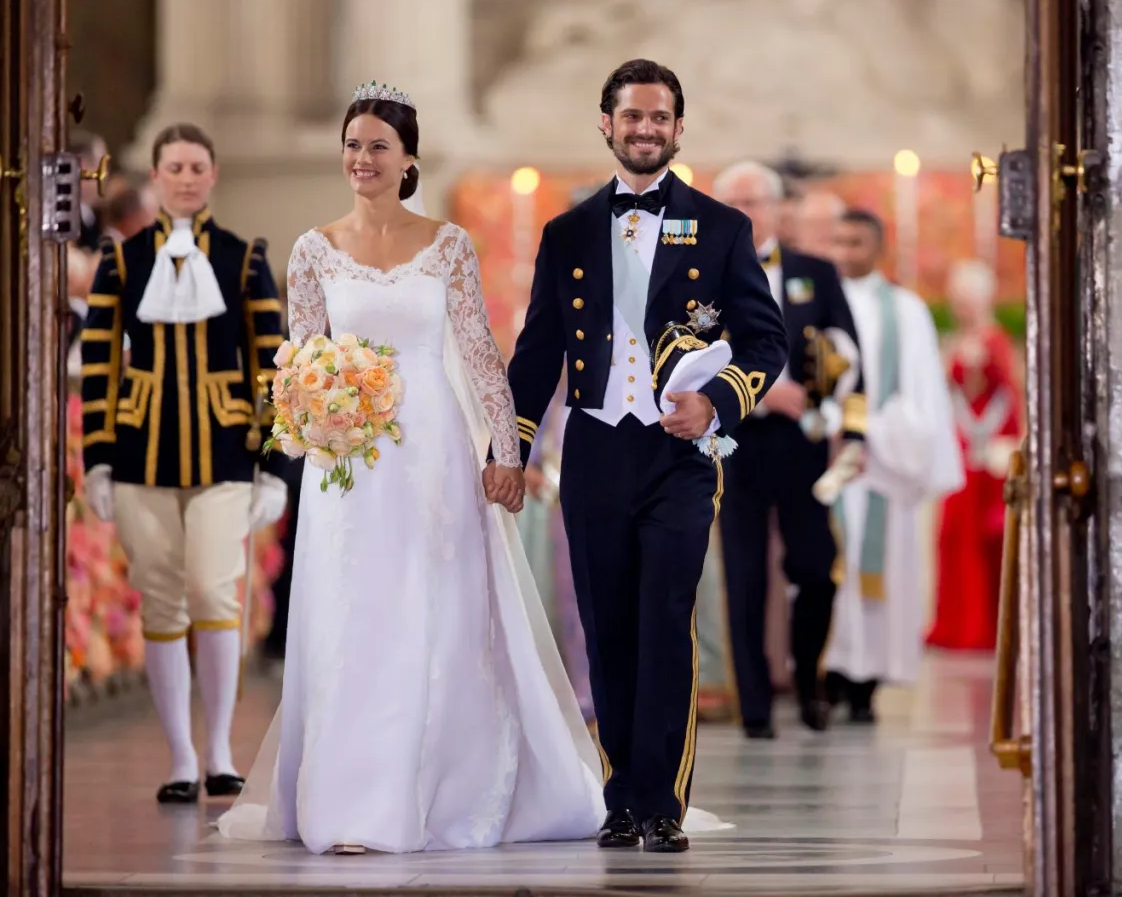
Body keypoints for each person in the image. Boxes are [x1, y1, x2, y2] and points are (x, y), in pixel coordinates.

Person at [219, 81, 663, 856]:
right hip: (347, 462)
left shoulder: (449, 244)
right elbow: (298, 360)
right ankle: (352, 802)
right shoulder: (313, 248)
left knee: (436, 610)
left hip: (431, 452)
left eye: (377, 147)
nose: (362, 159)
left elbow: (482, 355)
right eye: (353, 146)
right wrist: (308, 421)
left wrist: (505, 450)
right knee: (354, 614)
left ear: (408, 160)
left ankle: (444, 786)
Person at [504, 59, 788, 852]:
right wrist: (513, 447)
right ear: (606, 123)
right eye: (631, 116)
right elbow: (536, 354)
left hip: (680, 454)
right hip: (595, 449)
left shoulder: (723, 226)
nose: (645, 129)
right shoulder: (566, 233)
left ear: (677, 127)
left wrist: (717, 401)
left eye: (659, 117)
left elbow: (769, 340)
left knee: (666, 617)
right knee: (607, 626)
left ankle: (663, 800)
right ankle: (620, 794)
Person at [80, 123, 290, 802]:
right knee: (162, 598)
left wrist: (269, 458)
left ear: (213, 174)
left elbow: (269, 363)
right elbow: (101, 363)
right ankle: (179, 757)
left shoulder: (242, 256)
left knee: (212, 588)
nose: (187, 177)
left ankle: (223, 749)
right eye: (175, 166)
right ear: (158, 174)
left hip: (226, 447)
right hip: (140, 449)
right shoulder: (122, 261)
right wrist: (99, 459)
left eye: (197, 166)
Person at [712, 161, 865, 737]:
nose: (745, 213)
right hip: (733, 444)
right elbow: (686, 354)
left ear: (779, 209)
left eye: (755, 201)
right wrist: (762, 392)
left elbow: (852, 359)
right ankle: (754, 707)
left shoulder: (816, 273)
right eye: (734, 202)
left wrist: (855, 435)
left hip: (803, 448)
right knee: (745, 577)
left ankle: (808, 685)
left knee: (816, 570)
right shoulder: (703, 272)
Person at [821, 209, 964, 722]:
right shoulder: (815, 301)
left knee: (874, 577)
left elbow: (921, 394)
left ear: (877, 247)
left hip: (881, 467)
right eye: (836, 241)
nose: (844, 252)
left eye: (855, 242)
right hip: (825, 461)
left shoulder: (904, 311)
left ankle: (866, 685)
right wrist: (828, 424)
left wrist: (872, 434)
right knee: (823, 571)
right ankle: (826, 675)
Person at [927, 260, 1022, 650]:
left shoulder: (996, 341)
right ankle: (955, 624)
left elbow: (1010, 397)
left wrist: (1008, 443)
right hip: (959, 450)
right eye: (959, 300)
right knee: (953, 537)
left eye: (969, 300)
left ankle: (986, 628)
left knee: (986, 540)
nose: (963, 307)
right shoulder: (953, 341)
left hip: (990, 453)